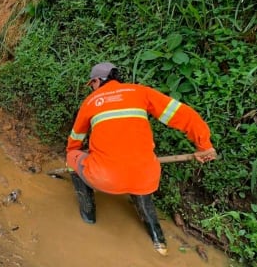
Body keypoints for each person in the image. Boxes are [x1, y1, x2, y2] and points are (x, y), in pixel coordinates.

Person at [66, 63, 216, 255]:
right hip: (146, 177)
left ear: (96, 81)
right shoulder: (140, 92)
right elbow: (184, 115)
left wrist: (75, 153)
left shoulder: (91, 101)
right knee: (140, 174)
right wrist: (204, 146)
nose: (92, 88)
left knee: (71, 156)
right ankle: (158, 239)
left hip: (105, 177)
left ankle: (88, 215)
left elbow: (75, 139)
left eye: (92, 84)